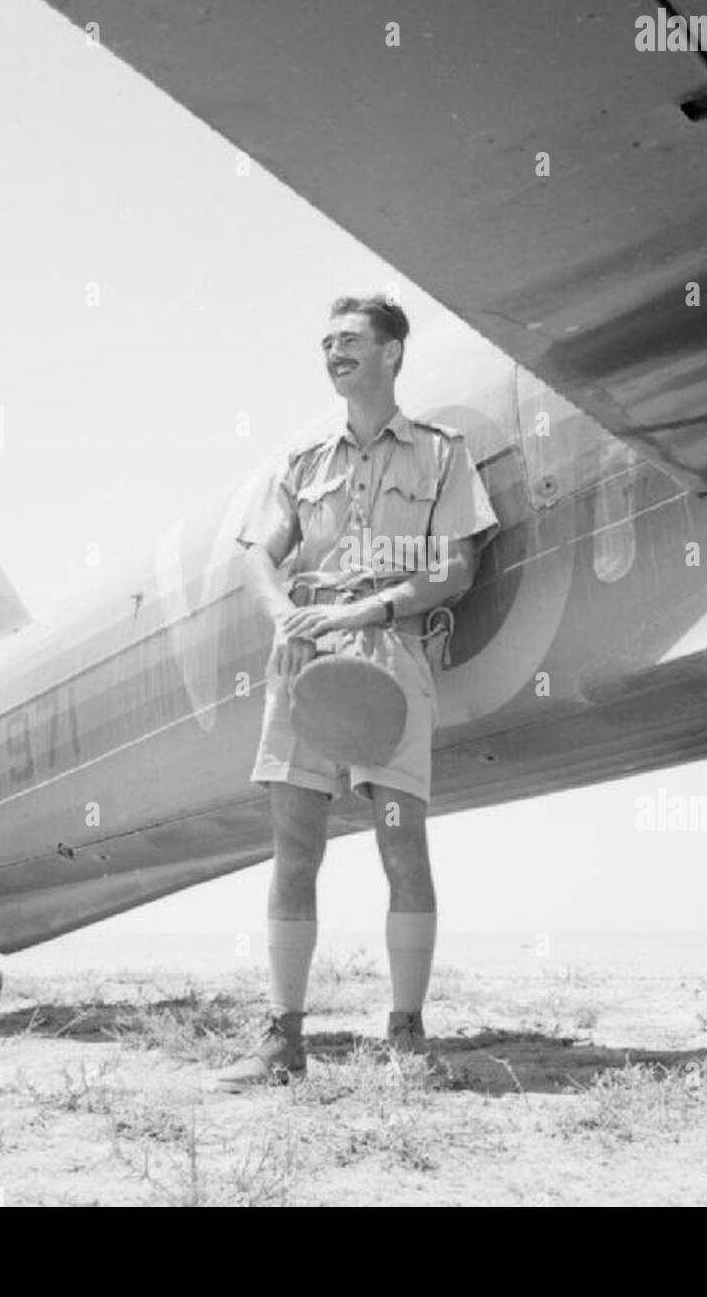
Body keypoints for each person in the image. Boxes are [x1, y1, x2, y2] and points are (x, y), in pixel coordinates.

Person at [214, 295, 499, 1090]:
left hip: (392, 654)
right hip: (305, 660)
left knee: (402, 846)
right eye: (326, 343)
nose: (333, 353)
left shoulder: (442, 455)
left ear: (392, 353)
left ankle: (405, 1038)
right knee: (294, 848)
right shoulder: (301, 459)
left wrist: (370, 607)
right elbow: (259, 557)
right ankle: (282, 1041)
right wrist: (284, 615)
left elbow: (455, 569)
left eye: (348, 341)